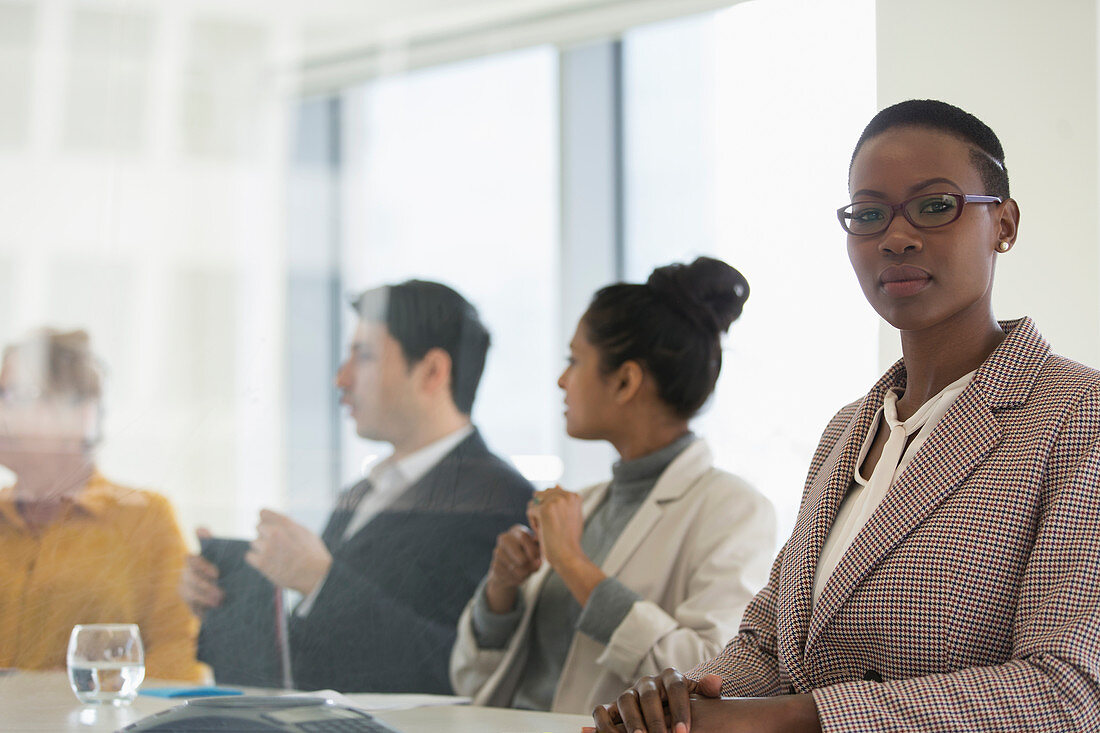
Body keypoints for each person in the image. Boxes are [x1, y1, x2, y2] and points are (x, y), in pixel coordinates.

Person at [593, 99, 1100, 733]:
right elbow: (771, 647)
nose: (897, 235)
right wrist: (687, 703)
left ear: (1004, 223)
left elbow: (1068, 695)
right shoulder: (848, 429)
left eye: (935, 205)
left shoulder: (1076, 414)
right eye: (868, 213)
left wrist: (796, 719)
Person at [450, 257, 776, 714]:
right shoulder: (583, 503)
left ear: (625, 380)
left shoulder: (734, 509)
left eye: (574, 360)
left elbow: (710, 678)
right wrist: (500, 595)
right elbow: (472, 676)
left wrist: (574, 565)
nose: (561, 380)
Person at [180, 279, 532, 693]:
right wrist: (226, 603)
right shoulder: (361, 493)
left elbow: (461, 668)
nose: (341, 379)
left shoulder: (499, 500)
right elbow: (317, 652)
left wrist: (320, 581)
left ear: (432, 372)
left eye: (363, 357)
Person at [0, 329, 203, 681]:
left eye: (17, 396)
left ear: (82, 412)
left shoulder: (144, 517)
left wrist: (94, 695)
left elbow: (179, 652)